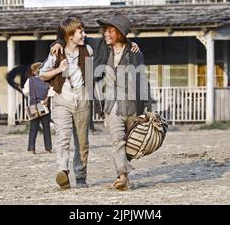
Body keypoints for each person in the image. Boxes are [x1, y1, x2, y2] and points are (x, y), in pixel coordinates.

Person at [95, 13, 150, 191]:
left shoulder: (134, 52)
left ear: (119, 32)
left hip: (132, 104)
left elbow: (142, 80)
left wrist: (145, 110)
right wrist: (56, 43)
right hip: (111, 105)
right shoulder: (102, 49)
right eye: (105, 31)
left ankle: (123, 170)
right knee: (117, 140)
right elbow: (71, 39)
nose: (106, 34)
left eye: (110, 31)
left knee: (130, 143)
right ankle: (123, 177)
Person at [39, 17, 92, 190]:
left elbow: (90, 78)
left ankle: (81, 175)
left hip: (82, 97)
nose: (84, 34)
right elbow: (42, 74)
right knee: (63, 138)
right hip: (62, 98)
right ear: (70, 35)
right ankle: (62, 170)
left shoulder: (88, 50)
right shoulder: (57, 52)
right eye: (81, 31)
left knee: (82, 142)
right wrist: (59, 69)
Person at [22, 62, 52, 155]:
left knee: (33, 127)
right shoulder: (48, 80)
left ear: (34, 71)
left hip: (34, 105)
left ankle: (32, 148)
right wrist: (46, 100)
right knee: (46, 128)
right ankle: (48, 148)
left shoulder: (30, 80)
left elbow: (26, 92)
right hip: (44, 105)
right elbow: (51, 91)